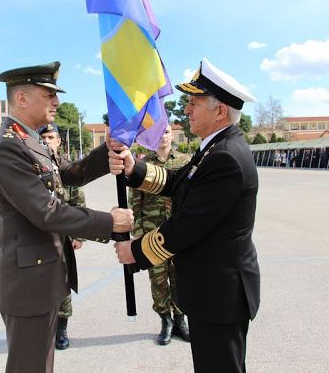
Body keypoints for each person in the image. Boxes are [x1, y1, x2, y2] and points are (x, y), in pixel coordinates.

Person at [110, 58, 260, 372]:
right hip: (213, 294)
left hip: (220, 296)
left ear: (219, 111)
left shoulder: (226, 158)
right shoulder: (214, 149)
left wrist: (135, 251)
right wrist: (132, 168)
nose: (186, 109)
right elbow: (179, 181)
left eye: (194, 102)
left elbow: (187, 225)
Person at [0, 61, 133, 373]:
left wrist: (106, 151)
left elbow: (68, 174)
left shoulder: (31, 139)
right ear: (22, 98)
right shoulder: (7, 147)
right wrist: (109, 222)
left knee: (41, 364)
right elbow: (45, 211)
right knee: (31, 366)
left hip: (42, 276)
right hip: (28, 282)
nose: (57, 102)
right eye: (49, 94)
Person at [129, 124, 191, 345]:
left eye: (167, 132)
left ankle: (180, 319)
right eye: (160, 133)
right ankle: (165, 321)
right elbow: (135, 200)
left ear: (172, 134)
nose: (164, 136)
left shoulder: (185, 161)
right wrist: (136, 232)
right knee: (157, 279)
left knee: (179, 276)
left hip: (178, 232)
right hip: (152, 233)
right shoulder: (143, 164)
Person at [38, 122, 86, 351]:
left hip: (64, 237)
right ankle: (45, 328)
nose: (47, 141)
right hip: (39, 237)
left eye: (51, 137)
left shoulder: (69, 169)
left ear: (59, 141)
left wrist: (78, 235)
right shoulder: (33, 167)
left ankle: (62, 328)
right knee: (40, 283)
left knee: (63, 281)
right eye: (43, 138)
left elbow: (78, 204)